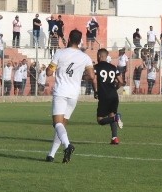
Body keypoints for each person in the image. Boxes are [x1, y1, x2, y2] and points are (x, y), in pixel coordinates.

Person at [45, 29, 95, 163]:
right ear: (79, 41)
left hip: (61, 92)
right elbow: (91, 76)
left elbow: (49, 72)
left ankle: (68, 145)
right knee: (62, 125)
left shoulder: (60, 53)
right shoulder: (85, 57)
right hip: (74, 94)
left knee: (57, 123)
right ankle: (51, 155)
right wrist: (80, 75)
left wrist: (49, 68)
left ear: (68, 38)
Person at [92, 48, 123, 145]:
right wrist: (115, 89)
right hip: (114, 95)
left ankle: (116, 118)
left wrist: (96, 91)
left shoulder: (96, 67)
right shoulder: (113, 67)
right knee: (111, 115)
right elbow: (121, 82)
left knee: (100, 120)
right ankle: (115, 138)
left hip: (104, 96)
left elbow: (93, 78)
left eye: (97, 55)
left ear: (100, 56)